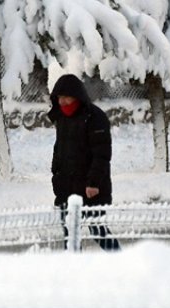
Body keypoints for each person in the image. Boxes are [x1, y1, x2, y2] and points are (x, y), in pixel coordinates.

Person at [49, 73, 119, 251]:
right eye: (59, 98)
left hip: (90, 189)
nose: (62, 102)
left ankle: (120, 261)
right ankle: (74, 271)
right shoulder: (61, 117)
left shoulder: (94, 117)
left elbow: (102, 154)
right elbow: (60, 149)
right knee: (70, 234)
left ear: (77, 96)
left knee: (97, 230)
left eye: (66, 97)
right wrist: (56, 174)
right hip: (67, 186)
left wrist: (94, 183)